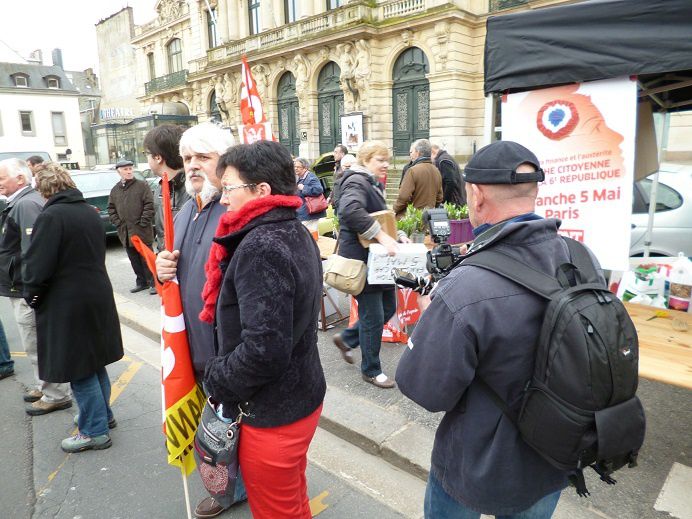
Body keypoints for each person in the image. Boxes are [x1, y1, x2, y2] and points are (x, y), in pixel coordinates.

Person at [396, 141, 589, 518]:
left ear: (477, 194)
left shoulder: (465, 288)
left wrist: (429, 318)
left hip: (475, 462)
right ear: (533, 192)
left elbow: (425, 389)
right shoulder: (581, 257)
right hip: (557, 450)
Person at [200, 140, 325, 519]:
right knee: (291, 498)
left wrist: (216, 378)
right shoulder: (291, 227)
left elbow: (264, 350)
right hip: (297, 395)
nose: (223, 199)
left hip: (272, 410)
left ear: (261, 191)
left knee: (277, 510)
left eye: (229, 189)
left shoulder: (262, 244)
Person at [154, 122, 244, 519]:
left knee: (235, 431)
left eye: (203, 158)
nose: (192, 166)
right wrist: (161, 265)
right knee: (213, 431)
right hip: (194, 347)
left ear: (226, 163)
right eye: (188, 158)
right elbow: (175, 271)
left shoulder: (238, 211)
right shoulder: (187, 208)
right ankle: (231, 488)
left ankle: (236, 491)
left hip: (230, 351)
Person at [22, 163, 123, 453]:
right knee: (94, 361)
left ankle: (94, 430)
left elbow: (38, 268)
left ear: (43, 188)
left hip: (68, 302)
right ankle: (104, 416)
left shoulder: (51, 216)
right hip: (96, 294)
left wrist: (33, 296)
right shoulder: (88, 211)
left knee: (79, 368)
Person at [332, 141, 409, 389]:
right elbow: (350, 211)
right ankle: (371, 370)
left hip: (377, 261)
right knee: (374, 316)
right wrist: (384, 236)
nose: (386, 164)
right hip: (365, 263)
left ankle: (347, 338)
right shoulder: (357, 180)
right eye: (380, 159)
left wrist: (397, 236)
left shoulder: (370, 181)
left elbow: (377, 218)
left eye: (387, 159)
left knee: (388, 308)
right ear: (365, 160)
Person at [0, 158, 72, 414]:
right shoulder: (21, 202)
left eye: (1, 178)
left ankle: (55, 394)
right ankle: (45, 387)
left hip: (24, 288)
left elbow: (34, 253)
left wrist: (31, 290)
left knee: (36, 342)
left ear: (20, 179)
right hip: (20, 286)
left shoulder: (26, 204)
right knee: (32, 342)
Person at [107, 159, 155, 293]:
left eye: (130, 169)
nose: (129, 171)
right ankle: (142, 282)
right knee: (134, 259)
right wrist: (118, 223)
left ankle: (153, 283)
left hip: (141, 229)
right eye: (125, 169)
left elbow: (149, 205)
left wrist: (143, 222)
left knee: (146, 257)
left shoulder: (142, 186)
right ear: (119, 171)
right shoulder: (115, 189)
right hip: (125, 232)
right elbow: (111, 208)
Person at [144, 124, 190, 258]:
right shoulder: (160, 187)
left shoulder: (192, 189)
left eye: (146, 153)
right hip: (167, 266)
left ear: (158, 157)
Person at [393, 139, 443, 219]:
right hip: (428, 217)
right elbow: (439, 197)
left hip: (412, 219)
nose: (410, 155)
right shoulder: (436, 171)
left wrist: (394, 210)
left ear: (418, 152)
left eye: (412, 152)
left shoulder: (412, 170)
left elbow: (404, 197)